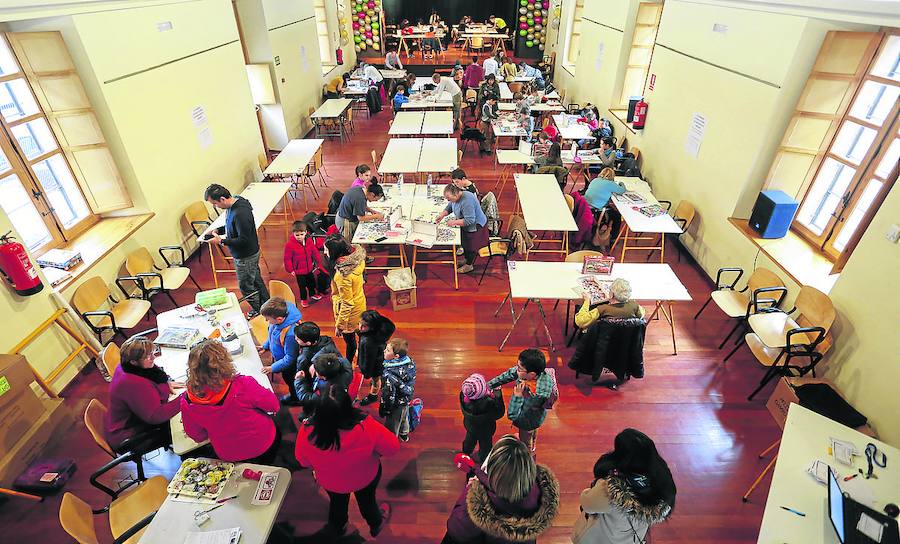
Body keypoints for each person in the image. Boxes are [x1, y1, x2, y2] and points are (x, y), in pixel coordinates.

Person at [295, 384, 398, 538]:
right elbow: (392, 448)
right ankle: (375, 524)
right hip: (365, 476)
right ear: (347, 407)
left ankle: (338, 527)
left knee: (337, 504)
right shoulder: (366, 425)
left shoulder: (307, 432)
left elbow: (302, 461)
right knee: (367, 502)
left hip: (331, 481)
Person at [443, 435, 560, 543]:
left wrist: (469, 492)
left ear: (492, 473)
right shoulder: (540, 493)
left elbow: (455, 531)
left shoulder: (470, 513)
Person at [181, 341, 281, 463]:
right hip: (262, 443)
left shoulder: (188, 401)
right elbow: (273, 405)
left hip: (229, 453)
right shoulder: (242, 385)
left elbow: (197, 435)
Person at [572, 429, 676, 544]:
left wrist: (592, 488)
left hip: (604, 539)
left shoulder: (609, 490)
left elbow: (587, 504)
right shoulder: (662, 484)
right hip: (633, 538)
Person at [105, 336, 182, 453]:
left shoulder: (127, 366)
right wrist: (185, 398)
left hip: (129, 422)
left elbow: (154, 373)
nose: (153, 357)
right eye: (147, 356)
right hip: (130, 436)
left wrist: (166, 383)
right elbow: (155, 416)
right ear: (134, 361)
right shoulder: (133, 384)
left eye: (152, 352)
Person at [204, 184, 269, 317]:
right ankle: (267, 306)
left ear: (222, 199)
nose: (216, 207)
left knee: (246, 287)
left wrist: (221, 241)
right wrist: (219, 230)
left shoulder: (240, 213)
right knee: (256, 280)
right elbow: (233, 225)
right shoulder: (236, 204)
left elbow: (243, 239)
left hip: (245, 256)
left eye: (215, 204)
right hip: (249, 253)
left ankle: (261, 313)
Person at [487, 349, 554, 452]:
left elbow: (513, 415)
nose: (516, 369)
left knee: (525, 439)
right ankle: (532, 441)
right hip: (538, 416)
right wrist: (488, 385)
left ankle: (528, 452)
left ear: (531, 374)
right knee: (533, 431)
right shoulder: (537, 373)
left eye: (519, 368)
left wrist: (518, 395)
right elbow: (508, 375)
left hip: (527, 421)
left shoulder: (536, 393)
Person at [324, 235, 367, 363]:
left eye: (327, 250)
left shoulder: (343, 275)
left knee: (350, 342)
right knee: (361, 332)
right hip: (360, 303)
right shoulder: (357, 260)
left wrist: (340, 325)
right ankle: (362, 354)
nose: (325, 253)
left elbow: (347, 303)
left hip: (349, 314)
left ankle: (348, 363)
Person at [258, 297, 303, 405]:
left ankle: (295, 398)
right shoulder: (276, 322)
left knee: (290, 380)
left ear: (279, 319)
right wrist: (266, 345)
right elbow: (272, 335)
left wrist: (272, 368)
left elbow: (290, 358)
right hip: (282, 359)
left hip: (290, 365)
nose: (266, 321)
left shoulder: (290, 334)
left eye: (268, 319)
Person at [436, 183, 489, 275]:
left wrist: (453, 222)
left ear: (456, 194)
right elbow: (450, 205)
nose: (448, 200)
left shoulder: (467, 201)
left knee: (471, 246)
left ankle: (469, 265)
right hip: (465, 225)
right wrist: (442, 214)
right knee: (465, 244)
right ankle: (466, 259)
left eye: (449, 198)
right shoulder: (456, 197)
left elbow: (470, 220)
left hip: (475, 226)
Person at [293, 322, 343, 414]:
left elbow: (307, 395)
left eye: (297, 339)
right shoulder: (327, 341)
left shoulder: (304, 358)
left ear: (308, 343)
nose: (295, 339)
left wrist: (299, 380)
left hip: (311, 387)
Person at [459, 373, 505, 463]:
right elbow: (500, 413)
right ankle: (484, 460)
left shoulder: (464, 396)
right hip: (486, 430)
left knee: (469, 440)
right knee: (486, 446)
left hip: (470, 427)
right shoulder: (489, 403)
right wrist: (498, 394)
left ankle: (466, 453)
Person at [284, 221, 327, 309]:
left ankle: (312, 294)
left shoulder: (309, 241)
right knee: (302, 286)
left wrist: (318, 262)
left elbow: (314, 252)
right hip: (299, 271)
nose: (299, 237)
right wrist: (290, 269)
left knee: (312, 283)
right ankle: (303, 299)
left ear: (306, 233)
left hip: (309, 268)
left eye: (301, 234)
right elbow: (287, 258)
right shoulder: (289, 245)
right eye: (297, 235)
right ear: (293, 234)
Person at [380, 338, 416, 441]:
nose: (384, 351)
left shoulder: (389, 374)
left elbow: (388, 395)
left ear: (396, 356)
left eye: (387, 350)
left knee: (392, 423)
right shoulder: (410, 362)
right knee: (404, 415)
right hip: (406, 397)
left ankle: (391, 441)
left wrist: (385, 409)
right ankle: (404, 434)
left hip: (396, 403)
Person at [357, 310, 396, 406]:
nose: (360, 327)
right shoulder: (378, 334)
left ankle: (373, 395)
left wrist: (366, 373)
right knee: (377, 378)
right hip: (379, 360)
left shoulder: (369, 342)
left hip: (375, 366)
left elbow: (368, 361)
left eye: (364, 326)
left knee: (375, 380)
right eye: (360, 324)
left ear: (372, 327)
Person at [576, 278, 645, 330]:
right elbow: (641, 315)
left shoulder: (602, 309)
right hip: (626, 340)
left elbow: (580, 322)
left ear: (611, 295)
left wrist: (587, 301)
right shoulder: (635, 306)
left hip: (603, 340)